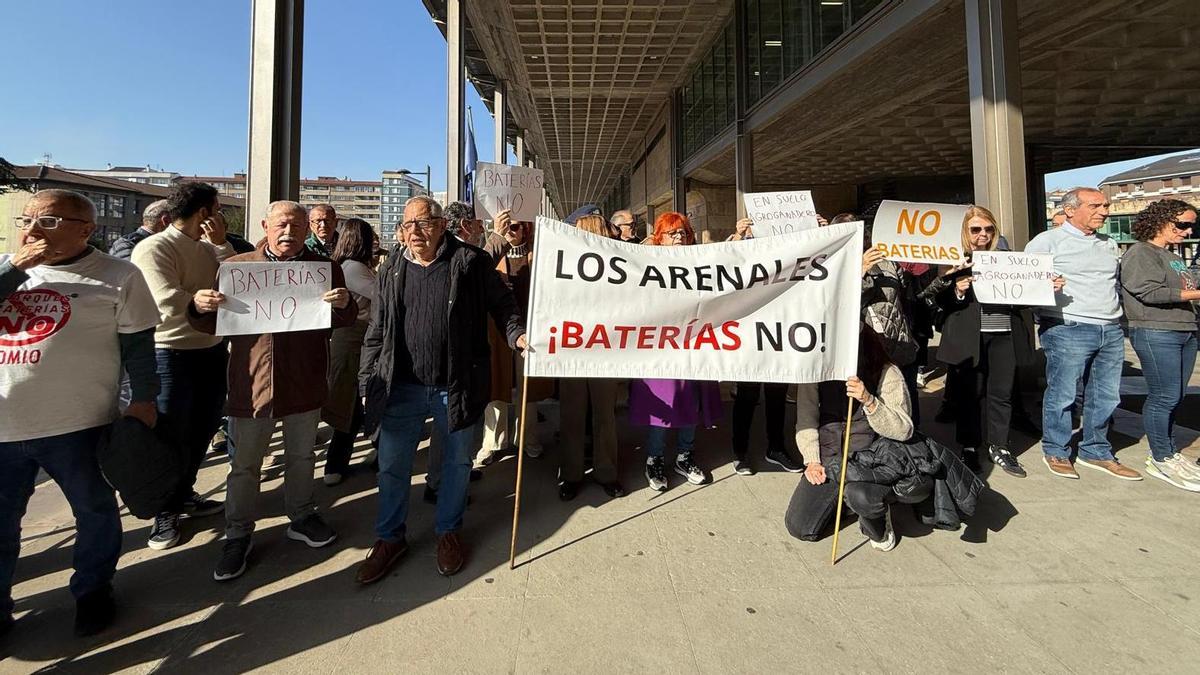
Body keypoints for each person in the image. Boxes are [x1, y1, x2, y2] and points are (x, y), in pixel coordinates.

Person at [1, 189, 160, 637]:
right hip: (5, 424)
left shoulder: (118, 275)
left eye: (48, 221)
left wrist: (145, 400)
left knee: (94, 512)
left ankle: (92, 591)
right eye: (26, 220)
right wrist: (15, 269)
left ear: (86, 230)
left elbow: (139, 348)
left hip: (79, 422)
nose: (32, 230)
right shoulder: (9, 270)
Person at [356, 196, 526, 583]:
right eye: (407, 225)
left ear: (442, 224)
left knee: (456, 464)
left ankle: (448, 532)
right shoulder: (392, 268)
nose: (414, 232)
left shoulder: (470, 261)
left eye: (423, 223)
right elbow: (377, 329)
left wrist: (516, 335)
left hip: (456, 383)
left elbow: (503, 305)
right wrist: (367, 381)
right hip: (400, 385)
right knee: (393, 467)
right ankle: (389, 538)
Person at [189, 200, 357, 582]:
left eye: (297, 227)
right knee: (245, 464)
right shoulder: (236, 269)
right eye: (282, 225)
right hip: (251, 384)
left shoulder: (325, 269)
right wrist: (199, 306)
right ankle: (237, 533)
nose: (289, 233)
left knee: (301, 456)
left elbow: (341, 319)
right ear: (265, 225)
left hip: (304, 379)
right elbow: (211, 324)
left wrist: (344, 304)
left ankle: (302, 515)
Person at [130, 182, 237, 551]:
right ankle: (165, 509)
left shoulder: (207, 249)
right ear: (206, 211)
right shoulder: (153, 247)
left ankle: (184, 493)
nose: (220, 215)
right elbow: (161, 298)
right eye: (218, 208)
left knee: (204, 425)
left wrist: (222, 244)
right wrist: (196, 299)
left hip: (210, 348)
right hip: (169, 352)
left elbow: (234, 278)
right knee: (171, 431)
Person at [1026, 187, 1141, 481]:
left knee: (1106, 396)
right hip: (1068, 327)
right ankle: (1056, 449)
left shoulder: (1109, 243)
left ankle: (1096, 450)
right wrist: (1044, 285)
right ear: (1069, 210)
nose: (1104, 211)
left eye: (1105, 205)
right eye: (1095, 206)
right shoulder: (1046, 241)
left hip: (1111, 329)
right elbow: (1024, 283)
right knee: (1063, 393)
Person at [923, 206, 1039, 477]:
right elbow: (932, 299)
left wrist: (1045, 286)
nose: (983, 235)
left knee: (1002, 394)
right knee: (968, 396)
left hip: (1004, 336)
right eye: (976, 229)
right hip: (968, 339)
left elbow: (1025, 296)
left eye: (988, 229)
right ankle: (969, 447)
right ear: (965, 231)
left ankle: (999, 446)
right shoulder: (953, 260)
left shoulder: (1007, 259)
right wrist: (956, 289)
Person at [783, 327, 914, 548]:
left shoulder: (885, 370)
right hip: (830, 460)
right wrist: (812, 460)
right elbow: (806, 418)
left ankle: (878, 520)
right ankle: (847, 503)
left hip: (870, 461)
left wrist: (870, 401)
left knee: (860, 495)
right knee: (801, 527)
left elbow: (904, 429)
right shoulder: (816, 369)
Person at [630, 212, 723, 491]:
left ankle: (685, 455)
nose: (679, 237)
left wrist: (739, 239)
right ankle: (655, 458)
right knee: (663, 402)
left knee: (690, 400)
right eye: (672, 233)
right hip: (659, 347)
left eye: (682, 232)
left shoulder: (697, 262)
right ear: (660, 237)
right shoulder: (647, 263)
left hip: (692, 344)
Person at [1119, 199, 1200, 490]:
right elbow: (1149, 292)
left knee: (1175, 395)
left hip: (1184, 330)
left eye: (1192, 225)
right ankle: (1161, 457)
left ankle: (1169, 452)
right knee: (1163, 396)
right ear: (1161, 220)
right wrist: (1195, 295)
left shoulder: (1172, 256)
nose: (1188, 231)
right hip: (1156, 331)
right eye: (1182, 224)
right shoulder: (1140, 252)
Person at [724, 216, 803, 475]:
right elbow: (727, 264)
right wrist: (738, 236)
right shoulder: (746, 248)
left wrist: (818, 231)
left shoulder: (792, 253)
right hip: (749, 336)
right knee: (746, 396)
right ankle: (739, 452)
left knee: (777, 396)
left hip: (779, 334)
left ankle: (776, 448)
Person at [557, 214, 626, 500]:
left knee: (604, 416)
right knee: (572, 415)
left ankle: (606, 472)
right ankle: (571, 474)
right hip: (572, 350)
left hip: (604, 350)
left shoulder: (619, 264)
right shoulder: (563, 265)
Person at [321, 218, 379, 486]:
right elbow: (383, 296)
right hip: (353, 340)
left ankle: (340, 463)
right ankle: (335, 464)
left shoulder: (346, 266)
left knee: (352, 407)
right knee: (349, 406)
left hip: (351, 340)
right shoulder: (353, 269)